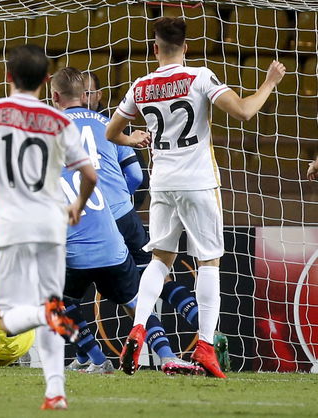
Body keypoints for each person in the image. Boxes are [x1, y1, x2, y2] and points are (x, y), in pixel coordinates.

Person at [106, 17, 286, 378]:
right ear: (186, 48)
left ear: (154, 48)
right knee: (209, 262)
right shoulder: (200, 76)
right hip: (198, 182)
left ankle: (139, 326)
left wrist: (135, 138)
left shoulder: (140, 86)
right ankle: (205, 346)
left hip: (162, 183)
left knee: (159, 260)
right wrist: (269, 81)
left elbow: (113, 131)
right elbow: (245, 112)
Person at [0, 44, 97, 410]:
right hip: (50, 226)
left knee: (6, 320)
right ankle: (55, 391)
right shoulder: (60, 122)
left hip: (8, 227)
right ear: (46, 82)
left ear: (8, 76)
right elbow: (89, 174)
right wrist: (78, 205)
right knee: (51, 306)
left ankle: (44, 321)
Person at [52, 67, 202, 376]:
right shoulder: (108, 123)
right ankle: (195, 337)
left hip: (84, 218)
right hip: (123, 215)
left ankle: (92, 356)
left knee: (60, 298)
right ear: (85, 96)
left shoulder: (50, 130)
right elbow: (135, 175)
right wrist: (122, 201)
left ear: (54, 96)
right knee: (151, 284)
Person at [82, 70, 150, 210]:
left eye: (88, 93)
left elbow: (140, 178)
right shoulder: (67, 127)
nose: (83, 99)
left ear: (99, 95)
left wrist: (120, 203)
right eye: (79, 94)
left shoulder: (117, 128)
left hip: (114, 209)